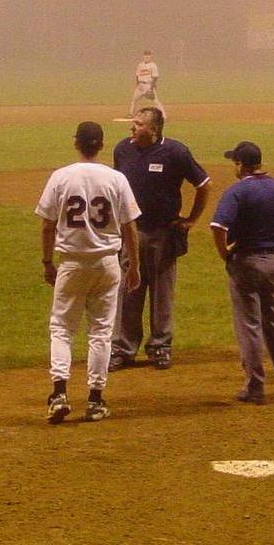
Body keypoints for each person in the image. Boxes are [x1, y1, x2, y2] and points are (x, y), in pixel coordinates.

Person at [35, 121, 142, 424]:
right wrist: (134, 266)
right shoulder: (116, 179)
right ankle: (95, 400)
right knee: (101, 333)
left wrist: (47, 262)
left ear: (76, 143)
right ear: (102, 145)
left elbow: (47, 225)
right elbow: (130, 227)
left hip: (71, 263)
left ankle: (59, 393)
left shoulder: (61, 177)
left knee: (61, 329)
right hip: (107, 264)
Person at [209, 141, 274, 404]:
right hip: (273, 262)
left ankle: (255, 387)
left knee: (249, 326)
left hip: (246, 263)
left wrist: (224, 253)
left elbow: (218, 226)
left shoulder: (237, 191)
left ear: (240, 164)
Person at [109, 107, 211, 371]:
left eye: (138, 124)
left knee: (162, 293)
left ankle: (160, 347)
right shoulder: (123, 149)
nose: (132, 127)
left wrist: (191, 219)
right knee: (128, 291)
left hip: (163, 234)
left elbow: (203, 184)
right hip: (130, 233)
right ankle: (123, 349)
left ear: (154, 129)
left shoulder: (175, 152)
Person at [131, 49, 162, 117]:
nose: (147, 57)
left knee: (156, 101)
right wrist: (137, 85)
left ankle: (163, 115)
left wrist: (151, 87)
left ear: (151, 57)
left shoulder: (153, 65)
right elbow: (137, 75)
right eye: (145, 55)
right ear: (143, 56)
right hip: (140, 85)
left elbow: (155, 77)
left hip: (148, 85)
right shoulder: (140, 65)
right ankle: (131, 114)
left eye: (148, 55)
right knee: (134, 100)